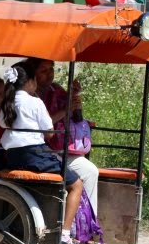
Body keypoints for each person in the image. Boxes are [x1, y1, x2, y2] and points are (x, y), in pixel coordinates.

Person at [0, 64, 83, 244]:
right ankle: (65, 235)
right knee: (76, 184)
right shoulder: (35, 102)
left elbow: (2, 123)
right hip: (35, 154)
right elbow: (49, 133)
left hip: (13, 155)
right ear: (30, 82)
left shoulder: (8, 101)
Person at [27, 58, 99, 217]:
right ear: (33, 74)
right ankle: (68, 225)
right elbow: (41, 126)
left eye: (51, 70)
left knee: (91, 171)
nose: (49, 74)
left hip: (61, 148)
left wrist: (75, 103)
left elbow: (76, 119)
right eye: (43, 71)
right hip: (41, 149)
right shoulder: (29, 96)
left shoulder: (57, 90)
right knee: (75, 178)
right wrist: (65, 110)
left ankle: (88, 225)